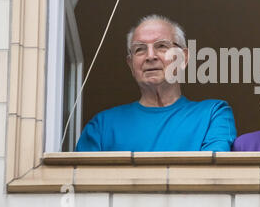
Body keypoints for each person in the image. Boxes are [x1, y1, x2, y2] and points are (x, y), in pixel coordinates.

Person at [76, 14, 236, 152]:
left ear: (184, 58)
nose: (150, 56)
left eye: (161, 46)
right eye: (140, 49)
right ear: (131, 64)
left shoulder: (212, 114)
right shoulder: (102, 125)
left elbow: (209, 177)